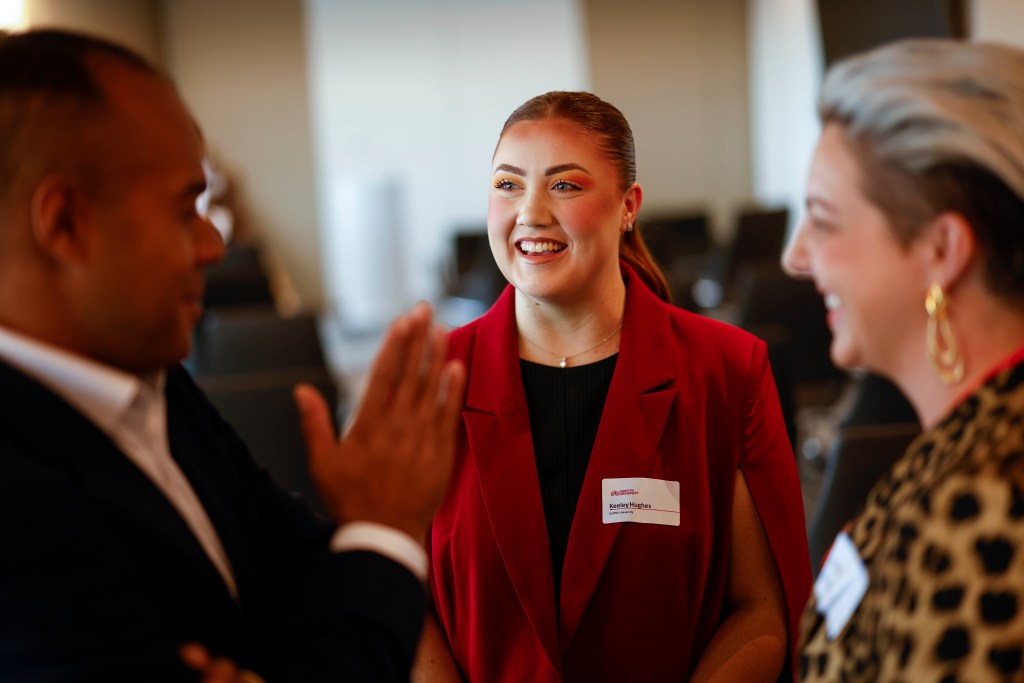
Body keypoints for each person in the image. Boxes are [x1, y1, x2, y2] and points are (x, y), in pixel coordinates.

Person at [0, 29, 465, 681]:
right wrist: (386, 529)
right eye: (184, 209)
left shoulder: (156, 381)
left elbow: (299, 571)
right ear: (66, 224)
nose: (213, 247)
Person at [417, 91, 812, 682]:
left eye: (564, 185)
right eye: (507, 184)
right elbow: (399, 602)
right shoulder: (430, 382)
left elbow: (761, 610)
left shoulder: (727, 372)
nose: (530, 212)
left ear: (628, 207)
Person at [783, 39, 1024, 681]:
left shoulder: (985, 502)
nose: (795, 258)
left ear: (942, 250)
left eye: (823, 221)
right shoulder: (966, 442)